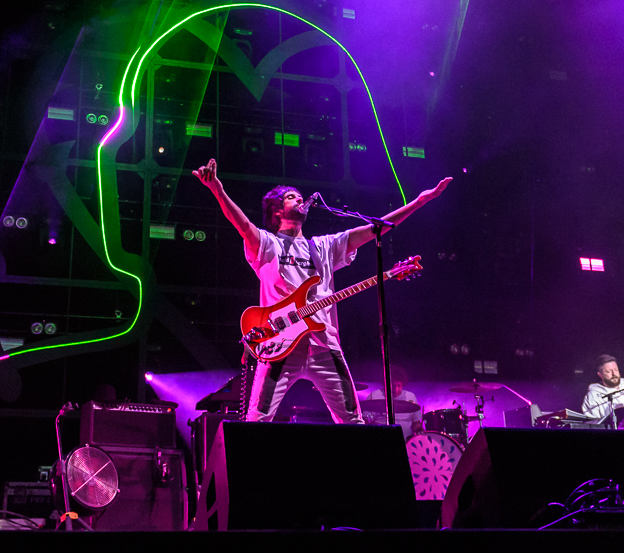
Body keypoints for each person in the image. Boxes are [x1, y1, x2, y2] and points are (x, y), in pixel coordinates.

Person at [193, 158, 451, 423]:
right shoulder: (268, 244)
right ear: (276, 212)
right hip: (280, 343)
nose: (300, 199)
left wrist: (419, 202)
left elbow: (374, 229)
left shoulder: (324, 246)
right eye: (292, 197)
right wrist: (218, 190)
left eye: (300, 196)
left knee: (353, 421)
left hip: (324, 344)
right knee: (258, 419)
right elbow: (243, 225)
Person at [364, 365, 423, 437]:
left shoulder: (410, 396)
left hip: (406, 441)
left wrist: (419, 431)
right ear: (386, 384)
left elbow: (416, 423)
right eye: (393, 385)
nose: (396, 389)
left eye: (399, 385)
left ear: (403, 384)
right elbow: (366, 422)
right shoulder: (374, 396)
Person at [581, 355, 624, 419]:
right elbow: (593, 422)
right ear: (600, 375)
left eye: (616, 370)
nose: (614, 374)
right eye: (608, 371)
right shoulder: (593, 396)